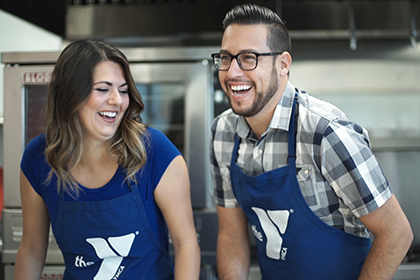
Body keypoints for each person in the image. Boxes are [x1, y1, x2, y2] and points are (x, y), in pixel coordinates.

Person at [209, 3, 413, 280]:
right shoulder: (222, 133)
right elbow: (231, 234)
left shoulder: (325, 133)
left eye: (248, 58)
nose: (232, 72)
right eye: (225, 58)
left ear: (283, 64)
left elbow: (397, 232)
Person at [14, 39, 200, 280]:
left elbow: (186, 244)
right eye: (103, 89)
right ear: (71, 93)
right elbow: (31, 250)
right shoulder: (38, 159)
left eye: (123, 90)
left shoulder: (154, 151)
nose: (117, 101)